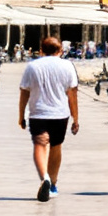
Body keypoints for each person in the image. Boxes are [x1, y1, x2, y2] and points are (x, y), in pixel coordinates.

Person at [15, 35, 80, 203]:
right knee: (56, 146)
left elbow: (24, 91)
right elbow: (72, 93)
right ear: (60, 50)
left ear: (41, 50)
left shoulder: (32, 66)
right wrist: (76, 118)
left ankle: (44, 177)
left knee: (40, 144)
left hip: (38, 113)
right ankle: (53, 183)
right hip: (60, 114)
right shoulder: (67, 66)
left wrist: (21, 115)